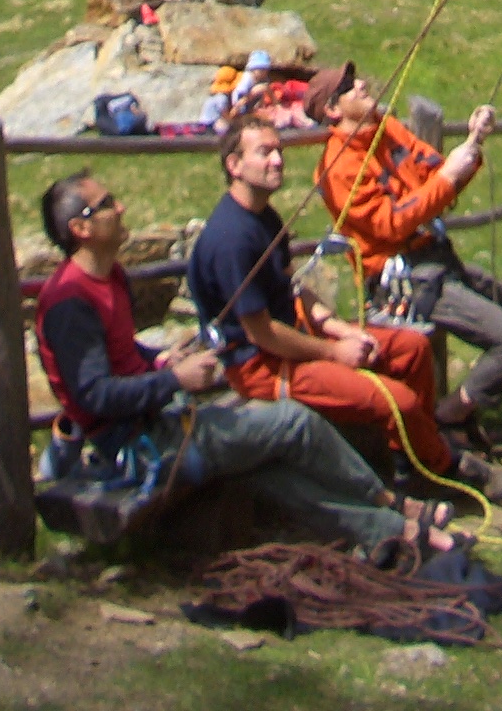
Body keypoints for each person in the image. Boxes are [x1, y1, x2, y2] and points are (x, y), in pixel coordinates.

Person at [31, 170, 452, 558]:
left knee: (270, 470)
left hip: (160, 421)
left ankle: (389, 532)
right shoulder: (70, 302)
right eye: (107, 204)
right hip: (138, 448)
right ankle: (391, 504)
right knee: (293, 422)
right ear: (81, 229)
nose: (120, 208)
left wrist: (156, 358)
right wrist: (174, 378)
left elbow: (120, 354)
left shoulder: (110, 277)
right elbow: (94, 395)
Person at [188, 113, 502, 505]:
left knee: (412, 349)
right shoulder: (231, 239)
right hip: (260, 366)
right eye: (264, 153)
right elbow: (262, 332)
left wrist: (340, 329)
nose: (278, 160)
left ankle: (410, 465)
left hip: (293, 340)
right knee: (398, 400)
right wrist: (333, 352)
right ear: (234, 165)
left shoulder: (265, 218)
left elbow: (294, 290)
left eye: (278, 150)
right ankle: (446, 466)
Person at [309, 61, 502, 432]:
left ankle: (466, 412)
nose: (361, 84)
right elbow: (391, 224)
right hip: (407, 280)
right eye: (348, 86)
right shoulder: (339, 167)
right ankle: (448, 419)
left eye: (355, 78)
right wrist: (447, 178)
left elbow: (435, 175)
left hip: (437, 260)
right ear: (332, 109)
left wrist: (473, 144)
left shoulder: (387, 129)